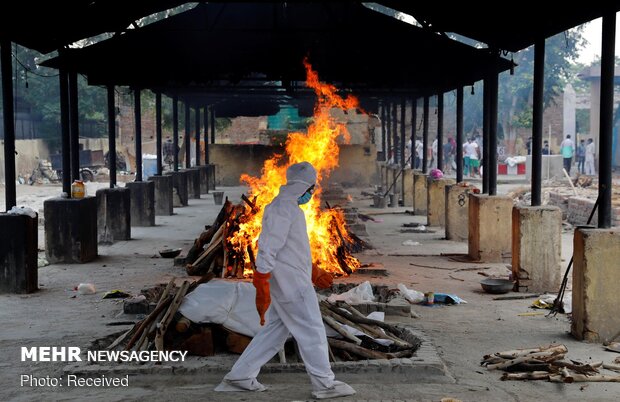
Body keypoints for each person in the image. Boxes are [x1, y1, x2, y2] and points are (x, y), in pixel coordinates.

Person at [215, 162, 356, 400]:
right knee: (312, 331)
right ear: (305, 186)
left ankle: (239, 376)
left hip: (291, 279)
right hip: (292, 285)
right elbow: (269, 248)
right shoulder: (284, 209)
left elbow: (290, 248)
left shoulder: (287, 207)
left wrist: (313, 270)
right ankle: (325, 384)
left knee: (275, 331)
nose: (312, 194)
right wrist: (261, 280)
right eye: (312, 188)